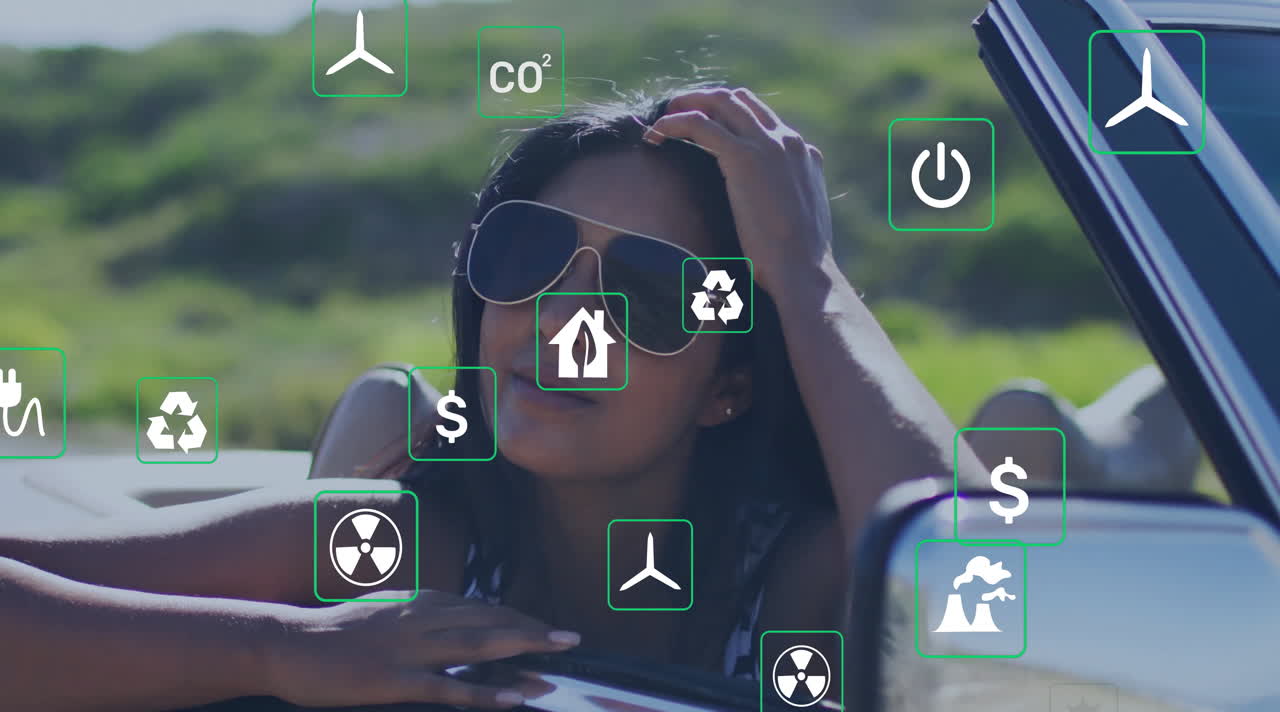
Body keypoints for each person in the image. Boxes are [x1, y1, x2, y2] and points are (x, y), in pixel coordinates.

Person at [0, 87, 969, 711]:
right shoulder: (416, 539)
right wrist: (278, 653)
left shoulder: (795, 581)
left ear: (729, 385)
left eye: (643, 291)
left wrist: (804, 274)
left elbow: (982, 593)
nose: (560, 320)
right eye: (529, 256)